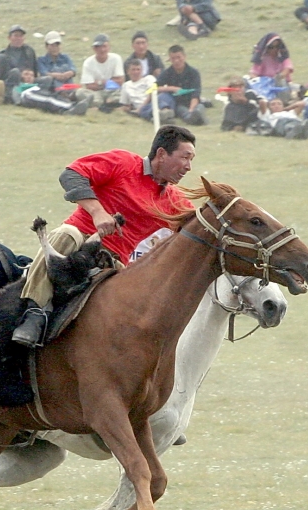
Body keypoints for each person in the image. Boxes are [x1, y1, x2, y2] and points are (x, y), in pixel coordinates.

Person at [11, 125, 196, 346]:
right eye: (185, 157)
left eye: (191, 160)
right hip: (79, 236)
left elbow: (198, 229)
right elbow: (71, 175)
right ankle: (35, 311)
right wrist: (98, 212)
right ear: (162, 154)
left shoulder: (176, 201)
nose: (189, 167)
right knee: (65, 234)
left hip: (114, 262)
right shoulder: (123, 162)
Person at [0, 25, 38, 102]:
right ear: (9, 38)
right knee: (15, 72)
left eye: (21, 36)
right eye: (16, 36)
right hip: (8, 82)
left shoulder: (30, 51)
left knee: (46, 80)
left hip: (25, 83)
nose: (18, 38)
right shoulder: (2, 55)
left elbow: (35, 70)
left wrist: (29, 76)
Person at [158, 45, 207, 125]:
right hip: (178, 103)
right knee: (183, 112)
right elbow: (155, 87)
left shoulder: (194, 72)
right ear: (170, 59)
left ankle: (196, 115)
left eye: (179, 57)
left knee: (198, 108)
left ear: (184, 57)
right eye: (173, 58)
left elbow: (196, 94)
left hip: (192, 101)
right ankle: (194, 118)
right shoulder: (167, 73)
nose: (176, 61)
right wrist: (172, 88)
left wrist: (191, 109)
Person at [80, 33, 124, 106]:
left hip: (113, 91)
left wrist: (99, 82)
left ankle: (107, 102)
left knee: (125, 90)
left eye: (104, 46)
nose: (102, 50)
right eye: (98, 47)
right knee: (80, 92)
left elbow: (120, 81)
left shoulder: (116, 58)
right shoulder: (88, 62)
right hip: (96, 93)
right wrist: (110, 81)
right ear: (94, 49)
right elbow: (89, 86)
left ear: (109, 47)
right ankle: (102, 102)